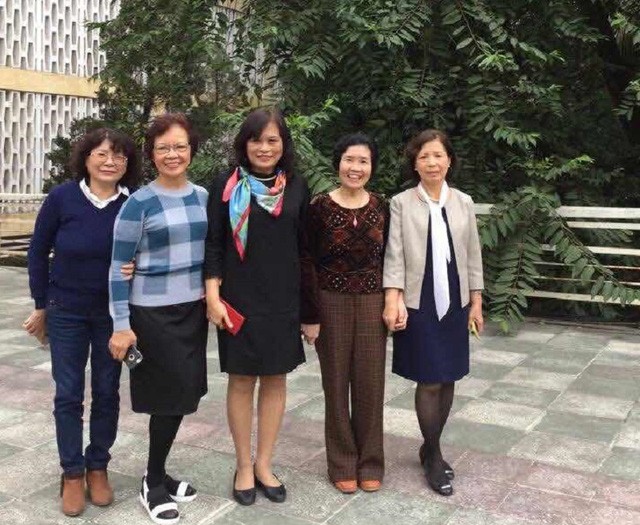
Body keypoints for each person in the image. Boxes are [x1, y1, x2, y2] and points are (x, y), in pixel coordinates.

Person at [26, 128, 139, 516]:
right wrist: (41, 304)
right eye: (103, 154)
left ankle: (98, 466)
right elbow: (38, 252)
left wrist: (140, 266)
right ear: (86, 157)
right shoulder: (62, 198)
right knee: (69, 394)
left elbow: (152, 251)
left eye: (120, 156)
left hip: (114, 316)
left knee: (107, 392)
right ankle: (72, 472)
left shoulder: (134, 203)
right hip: (66, 311)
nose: (111, 162)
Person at [204, 107, 313, 506]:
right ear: (243, 144)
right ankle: (243, 465)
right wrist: (213, 296)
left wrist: (310, 312)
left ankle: (265, 463)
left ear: (283, 144)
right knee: (241, 380)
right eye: (256, 139)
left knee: (275, 380)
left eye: (272, 140)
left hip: (283, 301)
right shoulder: (226, 185)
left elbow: (305, 252)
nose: (264, 147)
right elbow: (214, 244)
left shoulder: (298, 186)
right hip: (238, 300)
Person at [108, 113, 208, 524]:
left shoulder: (203, 196)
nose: (173, 154)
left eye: (180, 146)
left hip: (193, 309)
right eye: (164, 147)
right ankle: (153, 481)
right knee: (168, 396)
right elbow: (118, 267)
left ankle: (159, 470)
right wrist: (120, 324)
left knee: (184, 395)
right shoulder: (139, 202)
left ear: (191, 150)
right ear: (151, 153)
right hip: (151, 313)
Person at [382, 129, 484, 496]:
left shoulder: (463, 202)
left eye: (438, 155)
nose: (432, 162)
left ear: (449, 160)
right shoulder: (401, 203)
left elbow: (472, 252)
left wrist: (476, 299)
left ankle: (430, 446)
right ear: (415, 163)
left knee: (449, 376)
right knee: (428, 378)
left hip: (454, 300)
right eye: (424, 156)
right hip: (418, 299)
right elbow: (394, 254)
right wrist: (392, 299)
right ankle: (434, 454)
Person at [302, 133, 395, 494]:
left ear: (371, 167)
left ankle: (371, 462)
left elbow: (391, 257)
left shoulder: (381, 206)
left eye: (363, 162)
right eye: (349, 160)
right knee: (336, 383)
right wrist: (309, 314)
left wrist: (393, 299)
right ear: (337, 162)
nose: (355, 168)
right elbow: (307, 260)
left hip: (372, 300)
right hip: (330, 300)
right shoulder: (319, 207)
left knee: (371, 384)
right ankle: (341, 462)